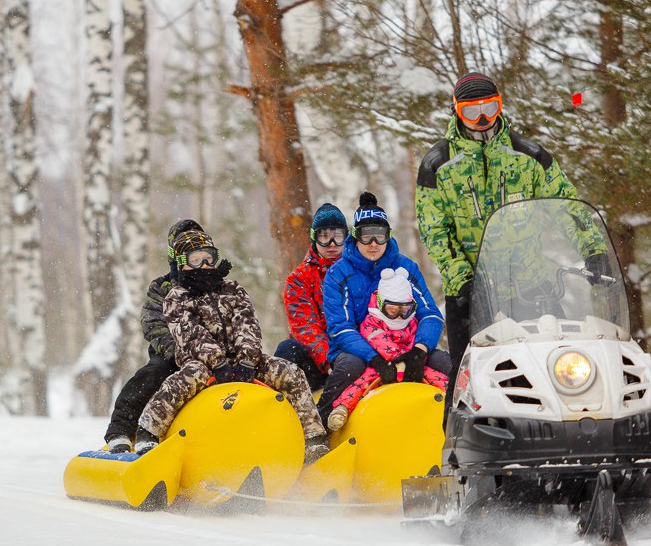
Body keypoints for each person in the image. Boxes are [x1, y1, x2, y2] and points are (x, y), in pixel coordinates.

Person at [415, 72, 608, 402]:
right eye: (472, 111)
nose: (483, 119)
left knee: (560, 365)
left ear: (500, 106)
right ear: (457, 112)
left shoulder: (528, 155)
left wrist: (593, 249)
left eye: (489, 107)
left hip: (529, 284)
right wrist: (461, 279)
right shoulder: (439, 164)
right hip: (471, 291)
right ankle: (456, 443)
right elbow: (434, 229)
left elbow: (566, 205)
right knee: (466, 380)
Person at [135, 227, 329, 462]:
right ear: (182, 264)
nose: (203, 265)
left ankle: (313, 439)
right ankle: (148, 432)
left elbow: (248, 325)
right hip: (202, 364)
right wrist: (217, 363)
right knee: (180, 382)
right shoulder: (177, 297)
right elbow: (190, 334)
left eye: (208, 258)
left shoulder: (233, 290)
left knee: (290, 372)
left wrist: (247, 359)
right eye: (195, 260)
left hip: (242, 361)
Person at [320, 191, 451, 426]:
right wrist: (374, 358)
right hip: (359, 349)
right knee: (351, 368)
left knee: (443, 363)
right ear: (355, 237)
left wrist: (420, 350)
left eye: (379, 237)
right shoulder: (338, 273)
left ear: (388, 237)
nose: (373, 244)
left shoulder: (405, 267)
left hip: (408, 342)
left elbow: (430, 313)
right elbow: (340, 327)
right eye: (366, 236)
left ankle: (454, 424)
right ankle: (321, 430)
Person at [103, 219, 199, 453]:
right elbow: (153, 323)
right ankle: (122, 429)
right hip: (171, 354)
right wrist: (179, 352)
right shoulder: (162, 288)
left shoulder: (219, 288)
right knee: (152, 374)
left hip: (212, 358)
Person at [326, 268, 450, 431]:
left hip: (410, 362)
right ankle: (342, 407)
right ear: (381, 304)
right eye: (392, 310)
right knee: (362, 381)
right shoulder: (372, 322)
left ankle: (452, 400)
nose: (399, 317)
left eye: (404, 311)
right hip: (382, 364)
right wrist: (397, 359)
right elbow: (376, 340)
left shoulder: (412, 322)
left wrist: (416, 355)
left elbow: (418, 336)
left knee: (436, 376)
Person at [274, 202, 348, 392]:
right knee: (287, 349)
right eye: (324, 237)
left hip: (354, 354)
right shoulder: (298, 279)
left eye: (337, 237)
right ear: (314, 239)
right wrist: (331, 361)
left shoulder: (357, 272)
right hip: (318, 361)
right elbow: (306, 328)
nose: (331, 245)